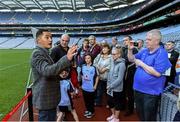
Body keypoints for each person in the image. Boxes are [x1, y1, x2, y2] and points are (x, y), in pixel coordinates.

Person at [30, 29, 77, 121]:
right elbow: (47, 71)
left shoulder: (45, 53)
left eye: (51, 37)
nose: (51, 40)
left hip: (49, 99)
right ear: (38, 40)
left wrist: (59, 75)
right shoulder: (37, 53)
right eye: (47, 37)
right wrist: (66, 58)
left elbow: (48, 73)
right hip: (45, 99)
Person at [128, 29, 171, 121]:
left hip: (150, 92)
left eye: (149, 39)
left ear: (157, 41)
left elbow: (157, 73)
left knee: (149, 118)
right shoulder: (145, 51)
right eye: (146, 39)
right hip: (138, 88)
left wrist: (141, 64)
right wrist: (130, 50)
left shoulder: (162, 53)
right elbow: (131, 59)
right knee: (140, 115)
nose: (146, 41)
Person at [106, 47, 126, 122]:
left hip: (117, 88)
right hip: (110, 87)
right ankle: (113, 115)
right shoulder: (112, 61)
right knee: (110, 102)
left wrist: (110, 86)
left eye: (114, 54)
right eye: (112, 54)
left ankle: (116, 118)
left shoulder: (122, 64)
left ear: (119, 54)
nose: (112, 55)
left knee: (117, 104)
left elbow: (120, 79)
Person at [122, 35, 138, 116]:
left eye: (126, 40)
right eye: (124, 40)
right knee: (124, 91)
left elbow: (130, 60)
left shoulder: (134, 49)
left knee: (130, 93)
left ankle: (130, 109)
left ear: (131, 41)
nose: (124, 41)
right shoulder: (124, 49)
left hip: (131, 74)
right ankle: (123, 106)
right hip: (124, 73)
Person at [81, 53, 99, 118]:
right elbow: (82, 75)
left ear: (91, 59)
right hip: (84, 87)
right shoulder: (83, 66)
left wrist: (95, 86)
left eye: (88, 58)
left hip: (91, 88)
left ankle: (92, 112)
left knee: (91, 101)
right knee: (86, 101)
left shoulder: (94, 67)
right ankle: (88, 110)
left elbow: (97, 77)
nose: (87, 59)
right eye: (86, 58)